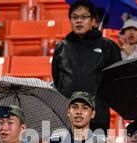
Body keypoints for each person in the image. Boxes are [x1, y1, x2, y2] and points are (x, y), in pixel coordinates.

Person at [51, 0, 122, 132]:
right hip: (67, 117)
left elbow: (116, 80)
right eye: (75, 17)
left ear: (94, 21)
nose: (79, 21)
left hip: (98, 116)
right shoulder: (61, 48)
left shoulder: (108, 46)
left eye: (84, 17)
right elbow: (57, 80)